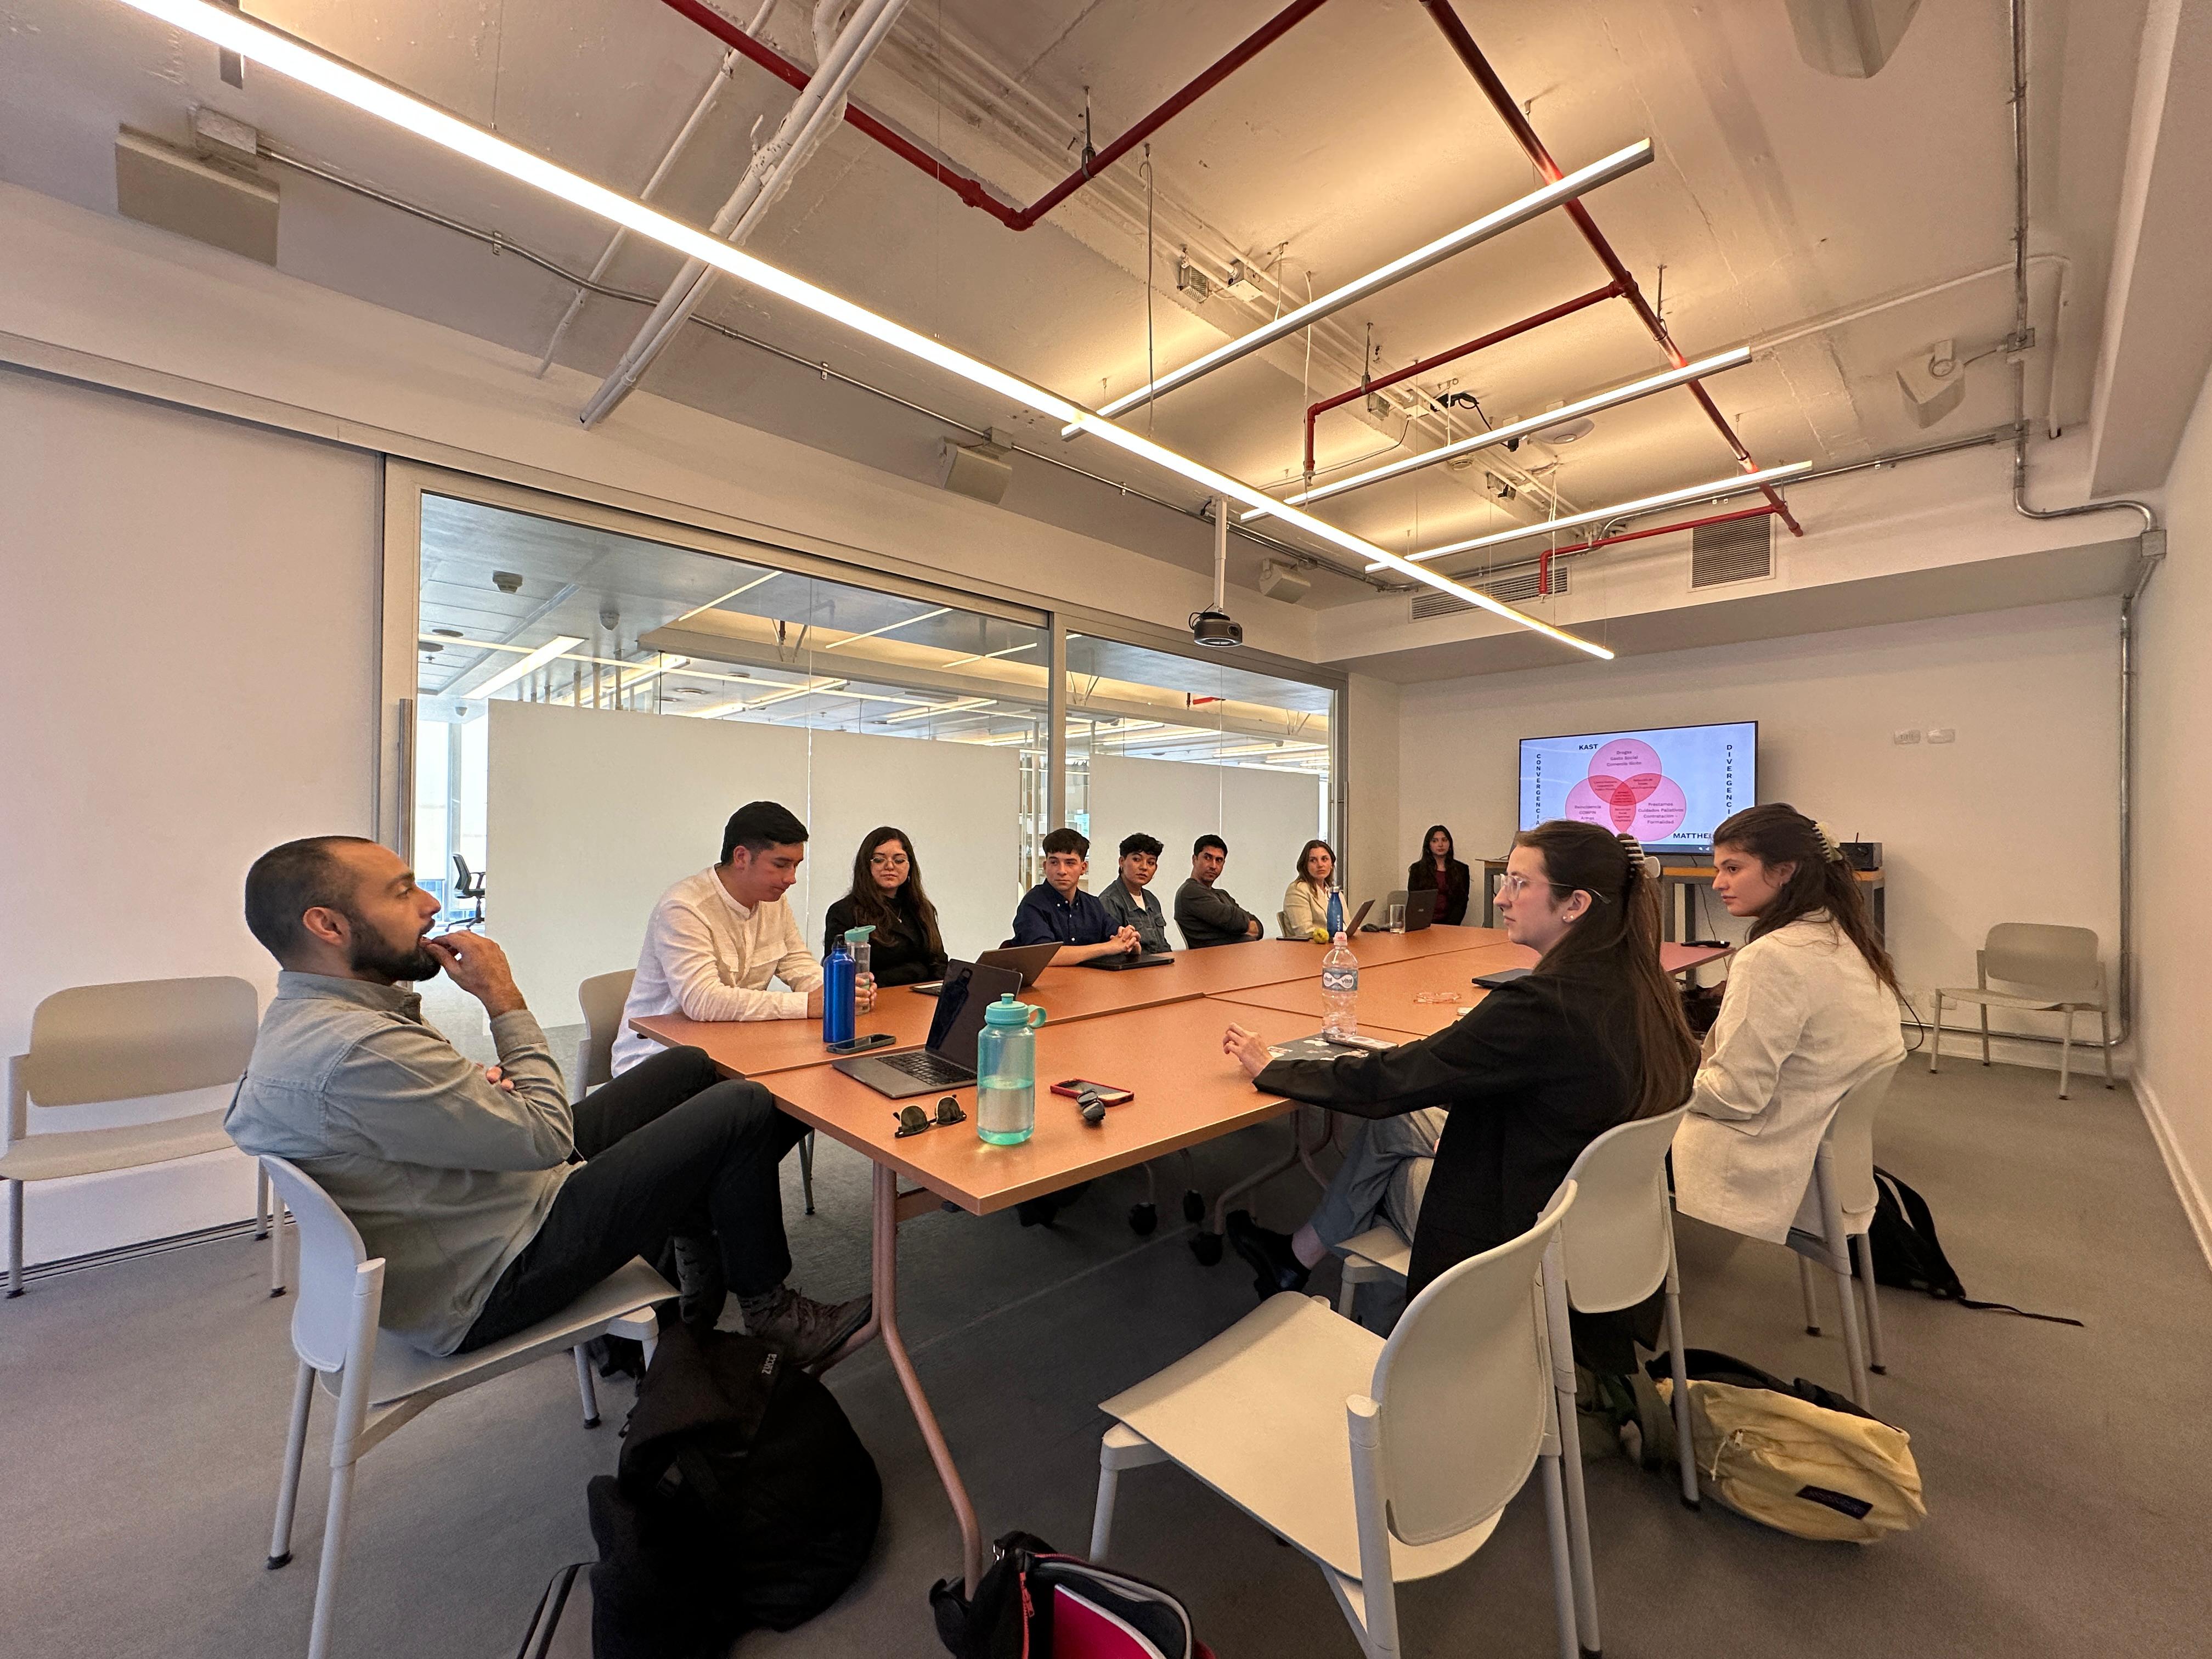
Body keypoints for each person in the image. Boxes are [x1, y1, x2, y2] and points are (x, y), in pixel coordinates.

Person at [223, 836, 867, 1364]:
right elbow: (547, 1139)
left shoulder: (316, 1018)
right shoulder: (360, 1047)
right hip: (496, 1275)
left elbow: (284, 1116)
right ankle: (770, 1311)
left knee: (690, 1068)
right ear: (328, 925)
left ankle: (694, 1255)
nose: (429, 903)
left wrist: (464, 1092)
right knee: (743, 1106)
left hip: (497, 1200)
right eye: (402, 891)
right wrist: (502, 998)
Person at [1220, 822, 1699, 1372]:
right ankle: (1301, 1266)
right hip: (1601, 1229)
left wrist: (1277, 1068)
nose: (1500, 898)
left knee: (1390, 1171)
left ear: (1575, 905)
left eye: (1519, 883)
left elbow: (1391, 1080)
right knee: (1398, 1127)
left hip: (1522, 1243)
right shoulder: (1648, 990)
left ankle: (1404, 1366)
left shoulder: (1541, 1007)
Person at [1672, 804, 1906, 1243]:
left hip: (1767, 1154)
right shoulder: (1845, 937)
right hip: (1820, 1147)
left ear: (1783, 871)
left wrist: (1661, 1078)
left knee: (1609, 1127)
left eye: (1733, 868)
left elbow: (1735, 1097)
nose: (1718, 883)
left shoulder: (1771, 957)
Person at [611, 801, 870, 1076]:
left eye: (796, 866)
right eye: (781, 865)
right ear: (742, 857)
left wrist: (839, 993)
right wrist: (808, 1004)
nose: (791, 879)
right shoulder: (684, 907)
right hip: (659, 1063)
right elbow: (703, 1001)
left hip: (733, 1051)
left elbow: (797, 964)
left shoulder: (773, 902)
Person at [821, 826, 948, 988]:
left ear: (910, 866)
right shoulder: (844, 912)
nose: (890, 866)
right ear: (866, 865)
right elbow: (839, 974)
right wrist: (914, 971)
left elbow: (939, 963)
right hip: (874, 996)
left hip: (923, 999)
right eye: (879, 860)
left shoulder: (922, 908)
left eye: (899, 860)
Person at [1010, 827, 1142, 963]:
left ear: (1083, 868)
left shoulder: (1093, 905)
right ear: (1045, 866)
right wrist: (1109, 947)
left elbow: (1119, 940)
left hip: (1089, 976)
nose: (1062, 871)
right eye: (1054, 862)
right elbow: (1044, 956)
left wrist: (1131, 943)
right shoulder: (1032, 904)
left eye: (1070, 863)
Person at [1175, 834, 1263, 948]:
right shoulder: (1190, 891)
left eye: (1219, 860)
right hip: (1211, 958)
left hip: (1238, 955)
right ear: (1194, 859)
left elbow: (1259, 928)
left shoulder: (1222, 895)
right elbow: (1236, 922)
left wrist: (1237, 925)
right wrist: (1240, 926)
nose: (1213, 866)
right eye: (1208, 858)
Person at [1098, 832, 1173, 955]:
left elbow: (1162, 945)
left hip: (1160, 963)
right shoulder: (1109, 901)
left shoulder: (1152, 899)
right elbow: (1114, 951)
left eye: (1151, 863)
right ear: (1122, 862)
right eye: (1137, 860)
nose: (1144, 867)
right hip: (1133, 965)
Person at [1408, 824, 1471, 927]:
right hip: (1423, 925)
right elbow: (1416, 902)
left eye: (1444, 840)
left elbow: (1461, 903)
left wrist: (1449, 927)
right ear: (1428, 845)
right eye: (1435, 841)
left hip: (1451, 927)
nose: (1440, 845)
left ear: (1450, 843)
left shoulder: (1462, 870)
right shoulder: (1417, 870)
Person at [1282, 839, 1338, 941]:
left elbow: (1347, 926)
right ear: (1305, 866)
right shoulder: (1297, 890)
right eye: (1313, 860)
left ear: (1331, 864)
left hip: (1337, 946)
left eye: (1324, 859)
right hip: (1311, 948)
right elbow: (1304, 932)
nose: (1320, 865)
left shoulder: (1334, 893)